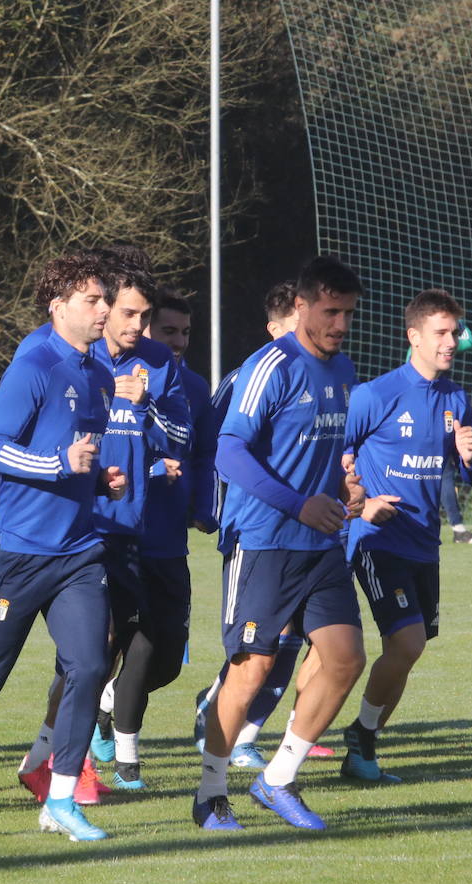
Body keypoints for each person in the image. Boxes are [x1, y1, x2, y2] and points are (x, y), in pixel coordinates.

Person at [0, 251, 124, 843]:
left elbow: (77, 455)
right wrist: (59, 464)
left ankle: (61, 798)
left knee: (90, 665)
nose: (104, 310)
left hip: (78, 552)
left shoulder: (101, 374)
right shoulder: (34, 366)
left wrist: (97, 476)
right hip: (16, 552)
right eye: (92, 300)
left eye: (104, 299)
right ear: (58, 304)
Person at [194, 255, 367, 832]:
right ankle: (211, 794)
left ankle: (278, 779)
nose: (340, 324)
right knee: (252, 669)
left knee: (344, 659)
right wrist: (298, 503)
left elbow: (327, 453)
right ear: (301, 306)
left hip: (321, 546)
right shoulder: (269, 365)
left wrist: (347, 486)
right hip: (265, 541)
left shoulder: (343, 370)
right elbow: (228, 450)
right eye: (330, 311)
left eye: (347, 313)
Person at [340, 289, 472, 782]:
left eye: (455, 332)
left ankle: (362, 747)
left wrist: (469, 458)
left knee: (410, 648)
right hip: (376, 540)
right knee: (406, 643)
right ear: (414, 336)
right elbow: (331, 457)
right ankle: (352, 736)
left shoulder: (455, 398)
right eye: (441, 333)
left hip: (425, 544)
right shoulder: (375, 395)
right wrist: (360, 505)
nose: (451, 341)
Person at [188, 281, 334, 766]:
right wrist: (210, 509)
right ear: (276, 328)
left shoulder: (327, 373)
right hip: (256, 531)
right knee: (257, 650)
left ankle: (255, 733)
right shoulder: (248, 377)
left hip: (311, 534)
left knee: (302, 642)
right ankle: (218, 722)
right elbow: (219, 451)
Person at [81, 262, 191, 791]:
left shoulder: (157, 364)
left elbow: (180, 434)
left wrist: (143, 405)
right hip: (94, 530)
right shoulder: (77, 359)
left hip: (151, 532)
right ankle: (116, 756)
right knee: (100, 645)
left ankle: (108, 702)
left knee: (166, 653)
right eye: (129, 313)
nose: (138, 326)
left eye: (145, 316)